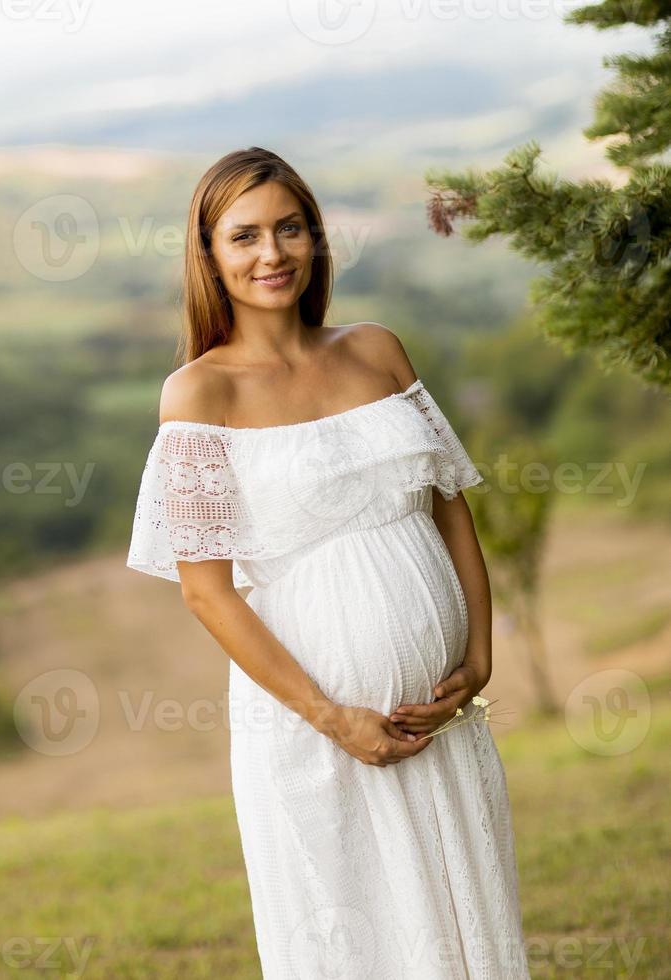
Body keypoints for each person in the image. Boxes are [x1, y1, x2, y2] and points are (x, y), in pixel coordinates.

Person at [126, 147, 531, 979]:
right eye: (243, 237)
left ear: (315, 239)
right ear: (208, 255)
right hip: (314, 728)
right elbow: (206, 594)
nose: (270, 254)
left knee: (465, 923)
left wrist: (480, 653)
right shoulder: (200, 395)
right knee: (354, 939)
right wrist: (332, 715)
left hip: (439, 717)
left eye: (288, 228)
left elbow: (449, 504)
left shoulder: (378, 350)